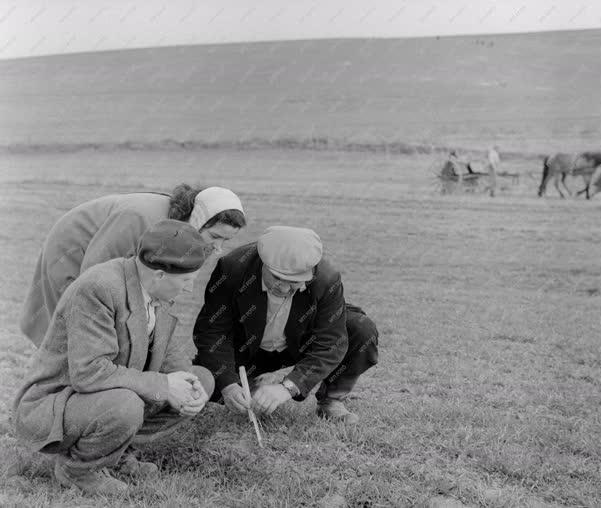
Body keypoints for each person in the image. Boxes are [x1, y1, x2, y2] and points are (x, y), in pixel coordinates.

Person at [14, 220, 215, 495]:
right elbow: (89, 372)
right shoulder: (100, 287)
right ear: (159, 275)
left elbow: (168, 350)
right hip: (55, 402)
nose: (190, 289)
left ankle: (118, 454)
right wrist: (165, 386)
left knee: (200, 379)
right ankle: (79, 470)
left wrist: (186, 381)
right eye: (187, 281)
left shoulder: (155, 284)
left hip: (103, 394)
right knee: (126, 404)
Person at [193, 226, 378, 425]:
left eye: (294, 282)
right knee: (209, 389)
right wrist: (228, 384)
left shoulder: (326, 278)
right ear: (263, 263)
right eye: (277, 278)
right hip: (246, 346)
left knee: (362, 329)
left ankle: (331, 400)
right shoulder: (232, 268)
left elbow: (331, 342)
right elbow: (212, 331)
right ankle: (252, 379)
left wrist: (288, 386)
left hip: (299, 343)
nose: (283, 287)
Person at [20, 184, 246, 346]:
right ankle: (54, 392)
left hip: (105, 256)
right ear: (199, 220)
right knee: (77, 322)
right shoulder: (139, 217)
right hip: (73, 248)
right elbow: (94, 272)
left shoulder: (189, 235)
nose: (219, 248)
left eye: (226, 240)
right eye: (216, 236)